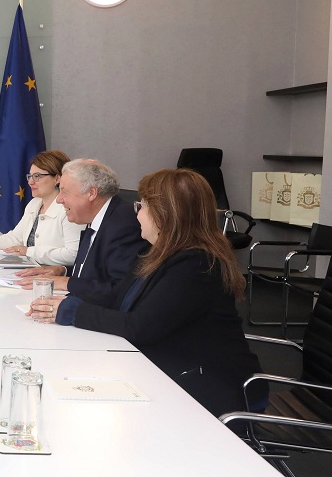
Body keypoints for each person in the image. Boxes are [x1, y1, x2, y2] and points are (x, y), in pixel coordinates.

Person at [27, 168, 266, 416]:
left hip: (210, 386)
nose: (137, 214)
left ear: (165, 214)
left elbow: (140, 327)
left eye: (141, 206)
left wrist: (73, 312)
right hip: (173, 368)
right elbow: (117, 297)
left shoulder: (196, 265)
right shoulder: (158, 253)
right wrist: (62, 303)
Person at [12, 158, 149, 302]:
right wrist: (62, 271)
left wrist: (67, 283)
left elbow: (120, 291)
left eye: (64, 192)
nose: (59, 199)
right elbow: (94, 272)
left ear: (91, 193)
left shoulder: (123, 225)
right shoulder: (96, 217)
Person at [0, 150, 84, 266]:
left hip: (53, 276)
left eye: (37, 176)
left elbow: (73, 254)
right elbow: (16, 238)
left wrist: (29, 251)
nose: (30, 182)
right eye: (30, 176)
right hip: (30, 270)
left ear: (57, 178)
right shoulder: (34, 204)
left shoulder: (69, 209)